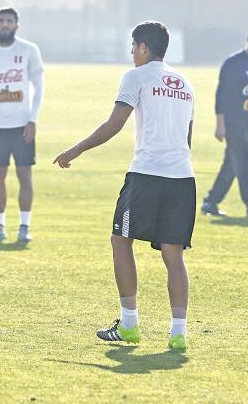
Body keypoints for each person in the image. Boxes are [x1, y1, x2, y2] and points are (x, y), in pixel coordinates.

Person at [53, 21, 195, 350]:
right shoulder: (185, 83)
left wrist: (74, 150)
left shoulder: (136, 76)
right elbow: (186, 139)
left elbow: (115, 124)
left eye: (133, 47)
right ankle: (179, 333)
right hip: (182, 177)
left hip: (147, 175)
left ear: (143, 47)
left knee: (121, 240)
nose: (131, 53)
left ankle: (129, 324)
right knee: (173, 256)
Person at [0, 7, 45, 242]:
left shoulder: (28, 50)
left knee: (24, 175)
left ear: (16, 26)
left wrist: (33, 119)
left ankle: (25, 227)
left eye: (9, 21)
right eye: (1, 21)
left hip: (22, 125)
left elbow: (39, 87)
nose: (5, 25)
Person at [201, 25, 248, 218]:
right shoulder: (233, 63)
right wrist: (220, 124)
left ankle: (211, 202)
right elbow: (221, 96)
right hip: (232, 122)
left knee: (232, 164)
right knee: (243, 163)